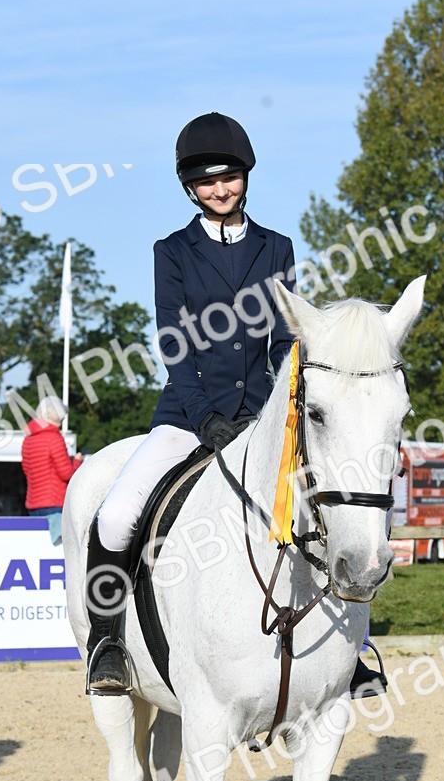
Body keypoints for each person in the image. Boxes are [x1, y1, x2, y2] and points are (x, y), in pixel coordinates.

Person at [86, 111, 387, 702]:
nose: (219, 189)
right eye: (206, 181)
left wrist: (268, 412)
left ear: (245, 176)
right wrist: (204, 418)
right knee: (117, 515)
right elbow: (174, 343)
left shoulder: (277, 248)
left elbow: (283, 339)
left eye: (228, 177)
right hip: (187, 416)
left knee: (329, 506)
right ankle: (108, 642)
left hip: (263, 417)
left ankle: (349, 654)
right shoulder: (173, 252)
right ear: (189, 187)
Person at [21, 396, 83, 544]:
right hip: (55, 504)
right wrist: (77, 462)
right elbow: (66, 474)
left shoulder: (28, 439)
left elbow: (27, 470)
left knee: (39, 548)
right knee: (60, 549)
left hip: (33, 504)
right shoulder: (54, 438)